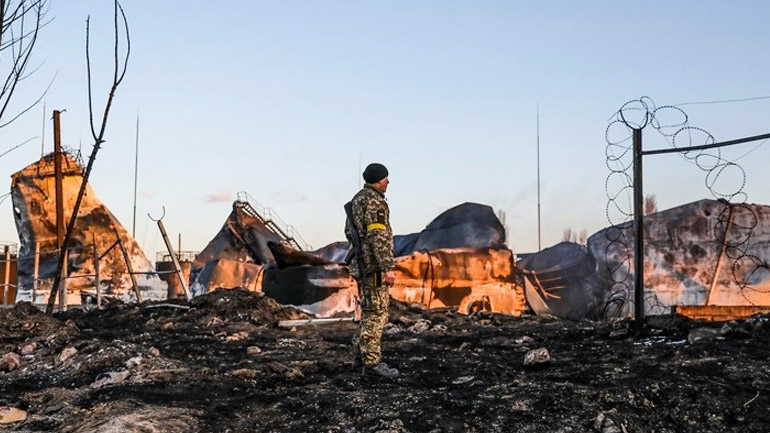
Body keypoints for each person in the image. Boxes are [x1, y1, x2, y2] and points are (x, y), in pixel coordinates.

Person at [346, 162, 398, 378]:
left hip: (361, 264)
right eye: (386, 178)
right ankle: (372, 364)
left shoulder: (358, 200)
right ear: (378, 179)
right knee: (377, 314)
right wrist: (387, 266)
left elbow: (349, 232)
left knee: (369, 312)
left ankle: (360, 356)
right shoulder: (375, 201)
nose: (388, 182)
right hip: (374, 267)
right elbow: (378, 236)